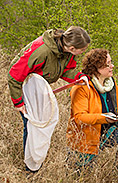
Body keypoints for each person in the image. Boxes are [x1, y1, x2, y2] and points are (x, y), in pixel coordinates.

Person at [7, 26, 91, 171]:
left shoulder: (67, 52)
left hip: (40, 87)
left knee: (41, 124)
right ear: (71, 47)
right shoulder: (41, 51)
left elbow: (65, 70)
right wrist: (18, 102)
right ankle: (30, 167)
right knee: (32, 125)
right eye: (82, 50)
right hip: (27, 87)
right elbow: (14, 75)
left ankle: (36, 160)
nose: (83, 52)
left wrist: (78, 77)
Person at [67, 48, 118, 170]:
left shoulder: (111, 84)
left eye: (111, 62)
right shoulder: (81, 87)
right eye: (108, 64)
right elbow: (79, 118)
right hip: (86, 136)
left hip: (106, 131)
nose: (112, 66)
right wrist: (104, 118)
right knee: (81, 172)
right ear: (97, 68)